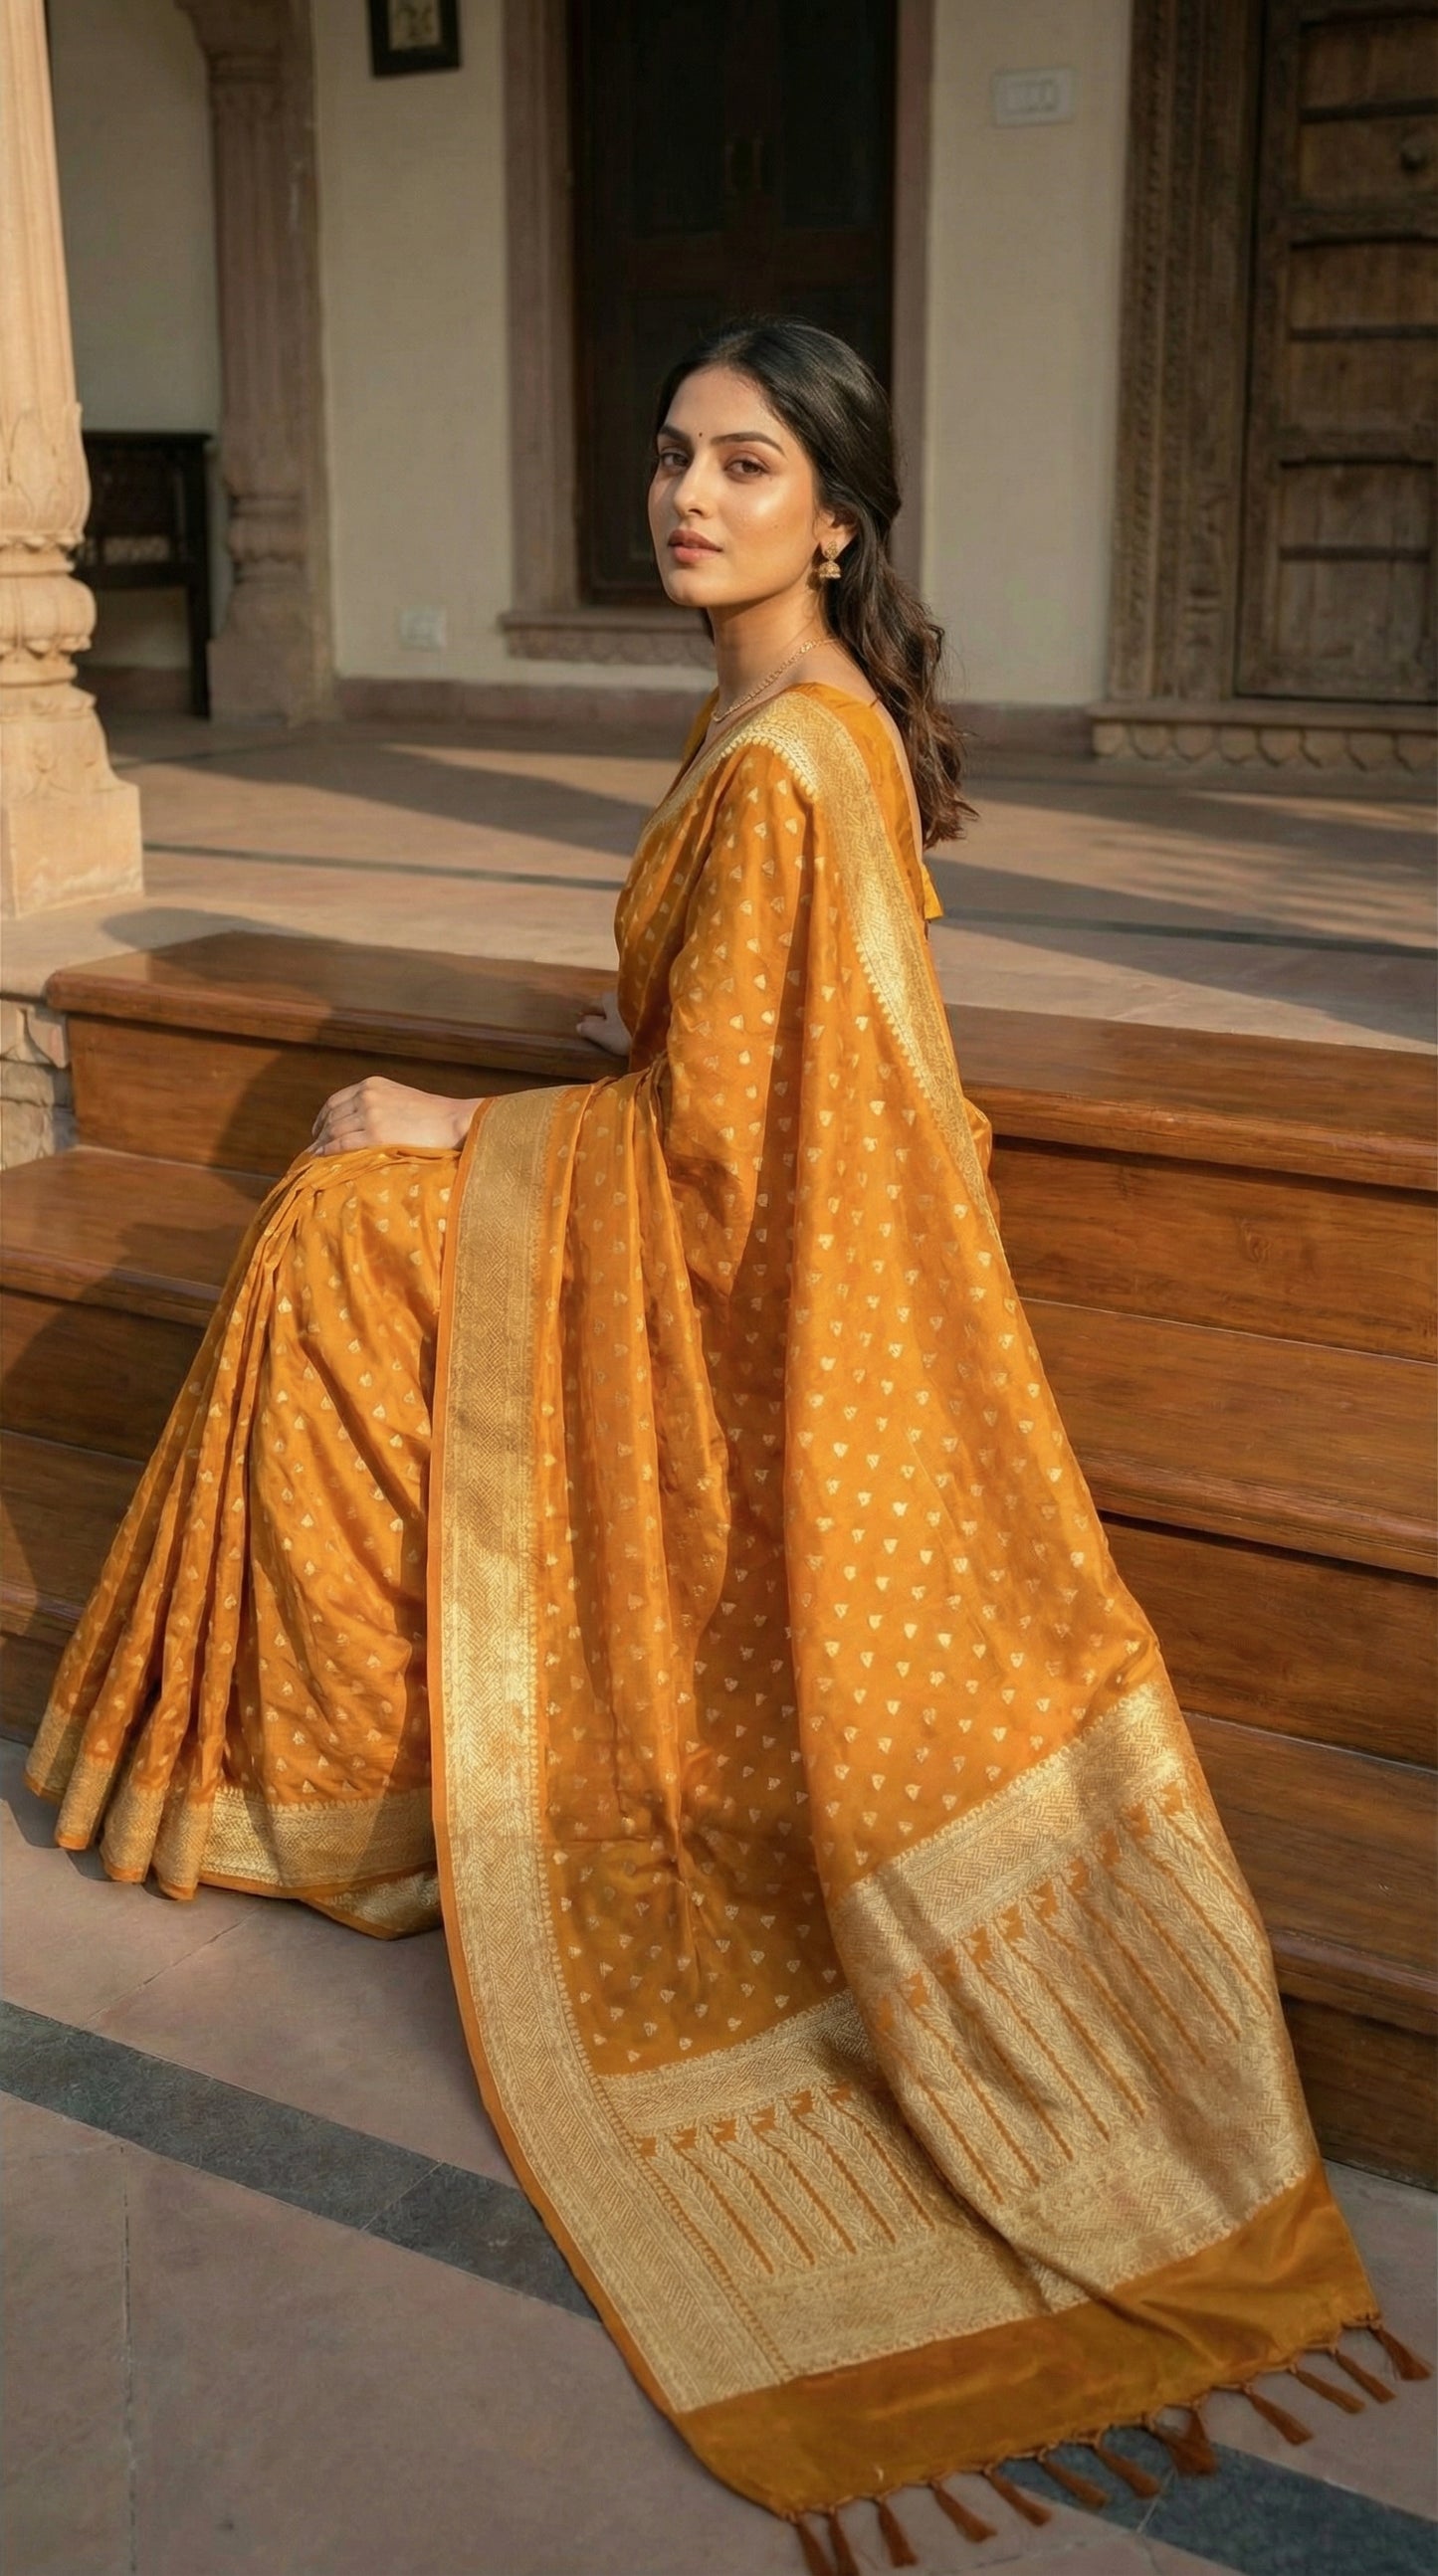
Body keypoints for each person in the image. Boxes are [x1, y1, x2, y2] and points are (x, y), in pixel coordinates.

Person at [27, 319, 1412, 2563]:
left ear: (836, 516)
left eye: (745, 465)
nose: (688, 493)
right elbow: (781, 1025)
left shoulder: (785, 759)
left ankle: (345, 1790)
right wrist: (637, 1035)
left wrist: (458, 1117)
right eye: (672, 454)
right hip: (723, 1185)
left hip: (725, 1259)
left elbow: (727, 1150)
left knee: (335, 1226)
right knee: (347, 1204)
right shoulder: (794, 720)